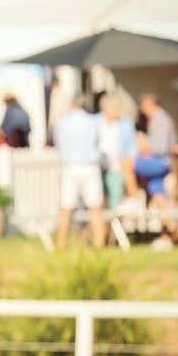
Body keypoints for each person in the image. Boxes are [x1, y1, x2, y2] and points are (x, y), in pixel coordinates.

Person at [53, 95, 105, 249]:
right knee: (95, 206)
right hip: (90, 166)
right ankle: (99, 242)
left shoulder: (62, 123)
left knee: (66, 207)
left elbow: (59, 144)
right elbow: (97, 143)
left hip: (70, 166)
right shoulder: (93, 122)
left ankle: (61, 243)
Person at [134, 94, 177, 249]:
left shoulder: (160, 119)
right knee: (159, 196)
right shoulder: (159, 119)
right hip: (160, 163)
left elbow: (160, 148)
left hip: (160, 162)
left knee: (127, 162)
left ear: (149, 104)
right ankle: (166, 234)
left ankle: (132, 196)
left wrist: (143, 145)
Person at [95, 95, 137, 210]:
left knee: (115, 196)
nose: (119, 110)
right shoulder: (94, 121)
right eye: (116, 107)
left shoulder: (126, 124)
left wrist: (130, 161)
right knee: (98, 198)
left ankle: (113, 218)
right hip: (97, 164)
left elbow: (131, 147)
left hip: (116, 165)